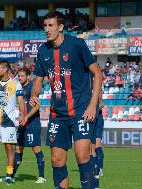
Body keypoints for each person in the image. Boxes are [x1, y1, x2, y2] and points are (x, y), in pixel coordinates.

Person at [30, 11, 102, 189]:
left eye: (51, 25)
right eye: (45, 26)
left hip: (81, 110)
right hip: (58, 113)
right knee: (56, 159)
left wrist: (93, 105)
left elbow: (97, 73)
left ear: (60, 27)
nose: (47, 29)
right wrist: (34, 95)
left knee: (82, 154)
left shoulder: (77, 44)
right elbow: (38, 80)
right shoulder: (43, 51)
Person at [11, 68, 46, 184]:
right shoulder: (19, 89)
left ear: (28, 77)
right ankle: (11, 176)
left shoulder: (32, 88)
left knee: (36, 148)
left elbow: (36, 107)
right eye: (19, 76)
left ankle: (42, 176)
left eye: (22, 76)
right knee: (18, 149)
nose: (20, 78)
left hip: (32, 123)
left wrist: (26, 117)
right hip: (22, 124)